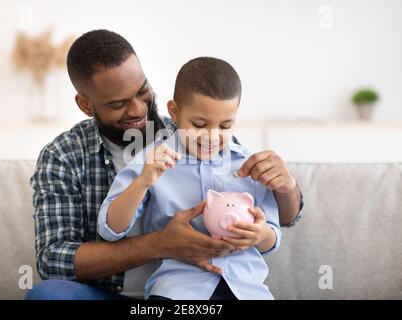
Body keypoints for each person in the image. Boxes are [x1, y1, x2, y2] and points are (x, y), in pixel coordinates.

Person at [26, 29, 303, 300]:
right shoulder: (64, 155)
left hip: (227, 288)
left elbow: (283, 219)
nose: (137, 109)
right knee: (49, 295)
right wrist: (159, 245)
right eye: (119, 103)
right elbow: (53, 259)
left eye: (142, 91)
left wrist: (287, 186)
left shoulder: (201, 132)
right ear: (86, 105)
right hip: (142, 293)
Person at [98, 57, 280, 300]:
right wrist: (142, 181)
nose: (212, 137)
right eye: (199, 124)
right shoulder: (151, 162)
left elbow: (272, 238)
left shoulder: (249, 165)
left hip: (246, 290)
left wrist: (260, 235)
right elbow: (110, 229)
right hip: (178, 291)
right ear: (174, 111)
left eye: (225, 126)